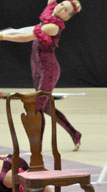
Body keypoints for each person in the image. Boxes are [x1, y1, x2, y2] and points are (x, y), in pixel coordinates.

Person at [0, 0, 82, 151]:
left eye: (65, 9)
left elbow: (26, 37)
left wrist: (3, 37)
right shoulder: (50, 10)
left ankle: (36, 148)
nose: (60, 7)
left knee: (37, 109)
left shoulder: (53, 26)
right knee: (46, 107)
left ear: (66, 17)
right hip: (37, 67)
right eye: (61, 4)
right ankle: (75, 133)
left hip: (48, 69)